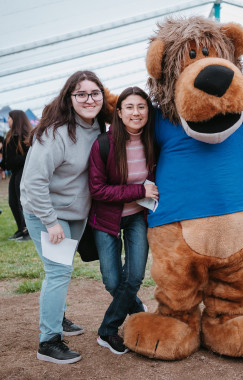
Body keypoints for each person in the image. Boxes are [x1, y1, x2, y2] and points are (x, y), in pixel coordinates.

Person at [20, 71, 108, 364]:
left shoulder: (98, 127)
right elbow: (34, 183)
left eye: (95, 93)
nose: (89, 99)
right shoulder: (55, 133)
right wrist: (50, 221)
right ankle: (48, 341)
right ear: (69, 98)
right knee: (58, 272)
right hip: (44, 211)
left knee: (63, 268)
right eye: (81, 94)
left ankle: (56, 316)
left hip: (74, 212)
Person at [88, 86, 157, 354]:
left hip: (137, 217)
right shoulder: (103, 144)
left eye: (141, 107)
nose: (136, 112)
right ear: (119, 112)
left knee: (135, 275)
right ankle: (138, 310)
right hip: (106, 219)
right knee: (113, 281)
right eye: (129, 107)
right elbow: (97, 189)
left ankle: (107, 331)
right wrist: (138, 190)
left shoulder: (153, 141)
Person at [0, 110, 32, 240]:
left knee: (21, 202)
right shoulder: (10, 135)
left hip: (23, 172)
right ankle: (21, 228)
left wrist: (13, 161)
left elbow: (30, 156)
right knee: (13, 202)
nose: (8, 120)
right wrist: (4, 165)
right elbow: (8, 157)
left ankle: (28, 230)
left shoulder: (25, 135)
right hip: (15, 172)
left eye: (9, 118)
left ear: (16, 119)